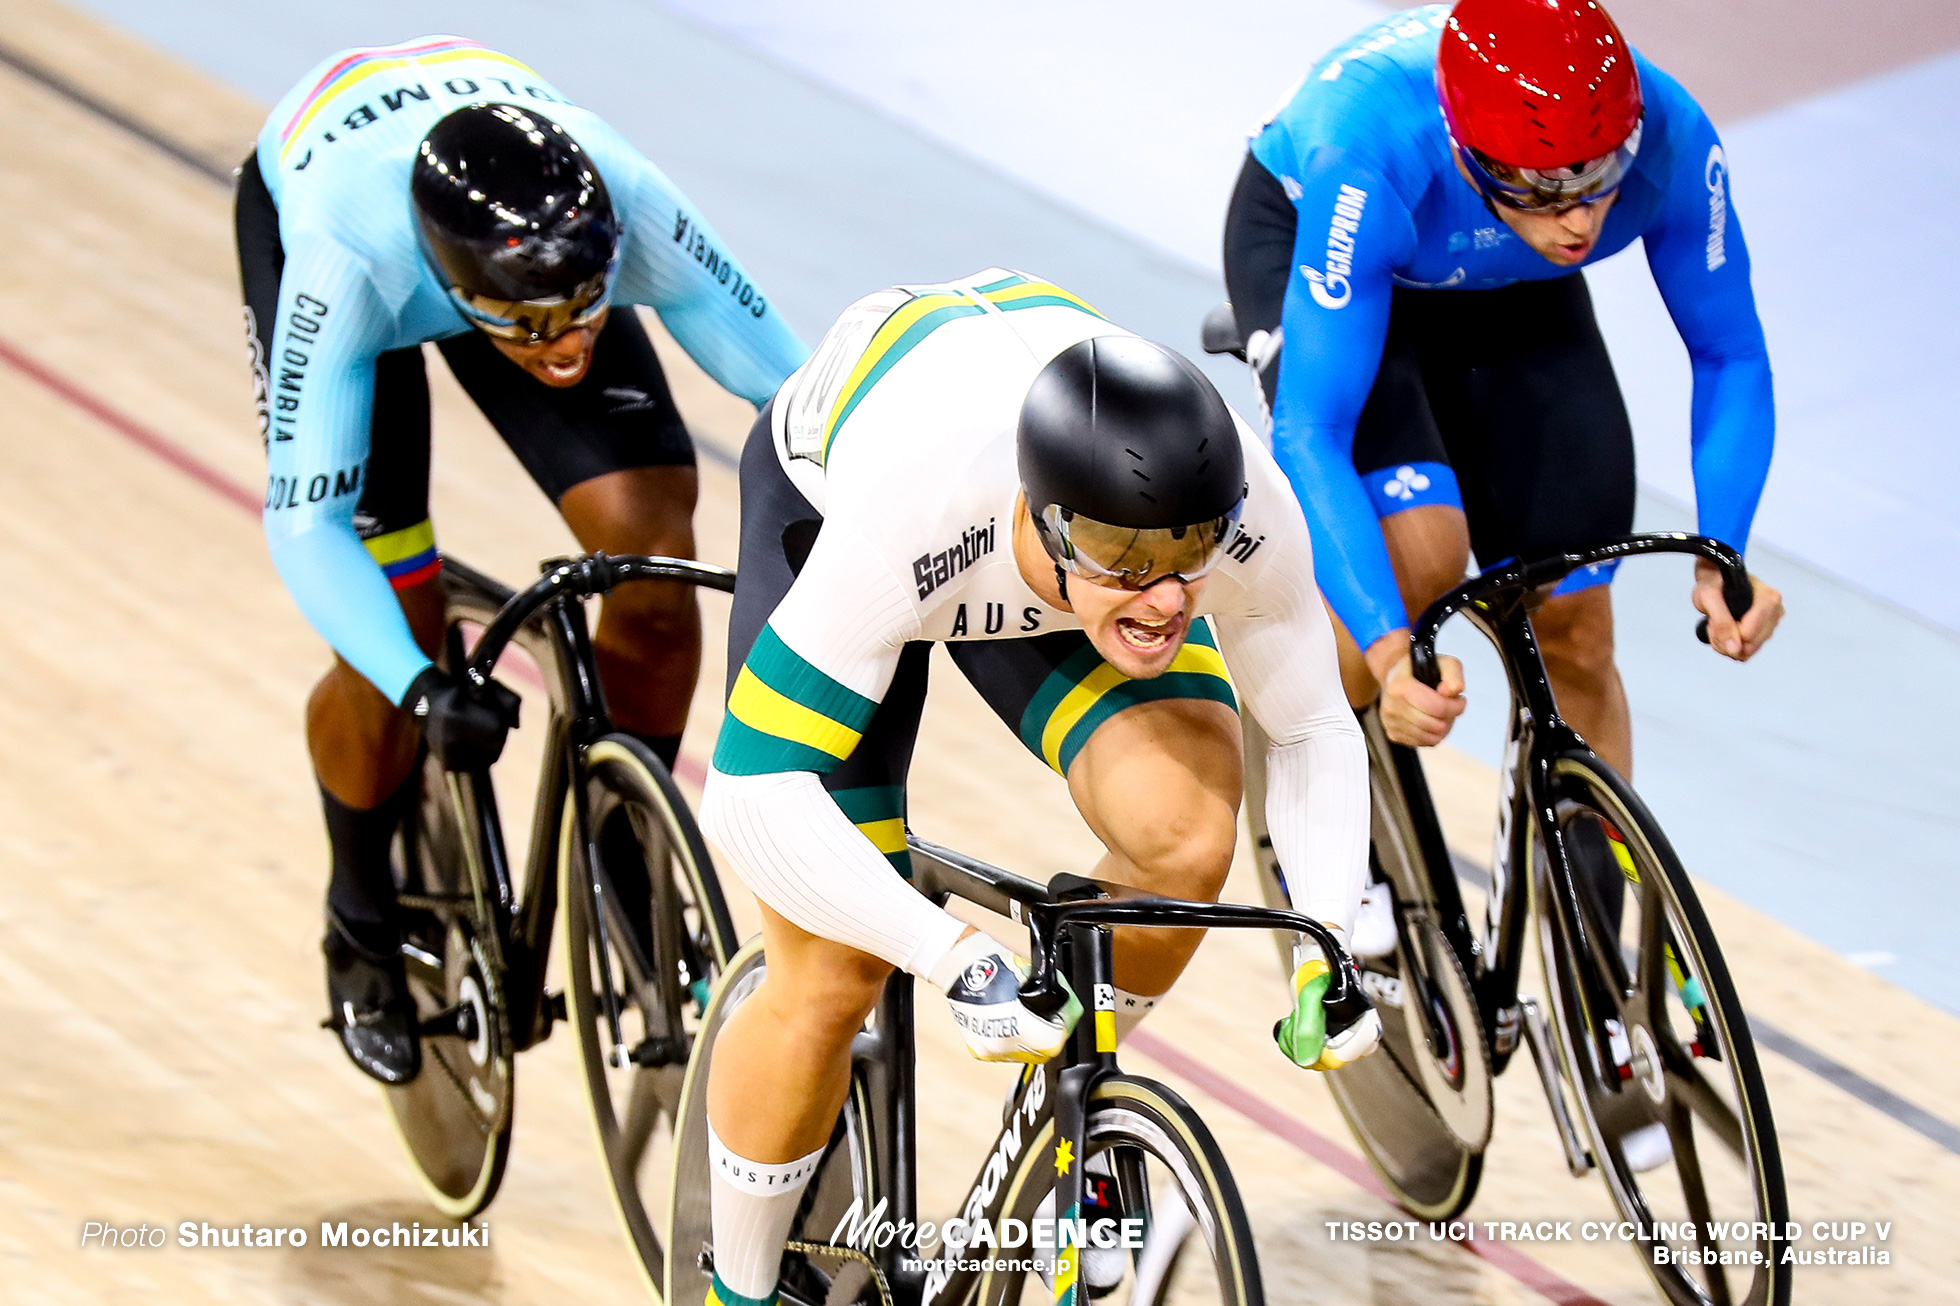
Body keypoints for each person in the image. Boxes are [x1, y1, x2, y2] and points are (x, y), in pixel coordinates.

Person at [696, 268, 1377, 1306]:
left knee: (1186, 838)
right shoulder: (909, 514)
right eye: (1126, 564)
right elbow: (748, 795)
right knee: (832, 975)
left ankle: (1056, 1122)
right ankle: (735, 1289)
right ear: (1050, 524)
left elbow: (1314, 721)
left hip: (1038, 555)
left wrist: (1327, 937)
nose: (1164, 600)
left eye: (1188, 559)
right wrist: (951, 956)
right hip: (852, 508)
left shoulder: (1238, 507)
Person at [233, 36, 806, 1085]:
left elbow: (797, 386)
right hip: (334, 208)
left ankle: (624, 840)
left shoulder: (617, 202)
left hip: (513, 219)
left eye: (585, 307)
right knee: (393, 621)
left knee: (650, 542)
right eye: (533, 327)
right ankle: (358, 913)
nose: (567, 342)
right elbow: (305, 526)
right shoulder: (342, 262)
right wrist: (419, 688)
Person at [1223, 0, 1785, 779]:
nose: (1580, 221)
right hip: (1337, 239)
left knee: (1575, 618)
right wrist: (1390, 652)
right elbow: (1312, 430)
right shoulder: (1371, 151)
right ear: (1467, 156)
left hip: (1507, 270)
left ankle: (1586, 895)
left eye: (1599, 180)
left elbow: (1730, 355)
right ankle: (1301, 780)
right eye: (1545, 190)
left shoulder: (1672, 137)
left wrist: (1724, 552)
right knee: (1421, 559)